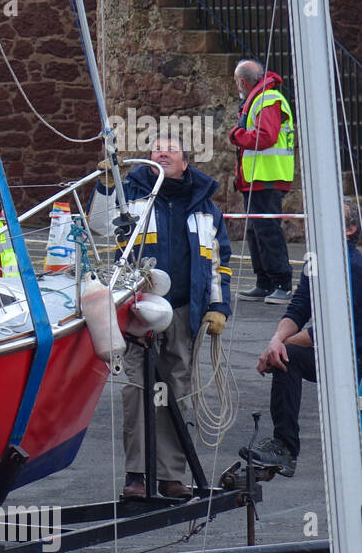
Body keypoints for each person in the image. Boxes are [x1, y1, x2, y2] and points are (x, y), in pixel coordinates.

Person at [90, 137, 232, 498]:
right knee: (137, 391)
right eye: (156, 149)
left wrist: (218, 307)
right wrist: (106, 185)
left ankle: (170, 475)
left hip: (183, 313)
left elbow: (218, 263)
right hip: (138, 311)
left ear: (186, 162)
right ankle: (137, 475)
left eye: (170, 149)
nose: (161, 154)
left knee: (176, 393)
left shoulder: (205, 209)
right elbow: (100, 226)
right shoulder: (133, 194)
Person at [245, 200, 362, 476]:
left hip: (356, 356)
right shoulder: (316, 260)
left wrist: (283, 345)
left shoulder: (353, 266)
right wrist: (276, 342)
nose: (315, 222)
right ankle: (284, 448)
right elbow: (299, 307)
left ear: (350, 230)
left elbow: (339, 328)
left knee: (286, 352)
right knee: (287, 358)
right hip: (338, 355)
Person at [230, 59, 295, 304]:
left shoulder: (267, 99)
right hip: (258, 176)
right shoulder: (261, 98)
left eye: (237, 82)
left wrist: (236, 135)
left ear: (243, 81)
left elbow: (265, 137)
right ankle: (265, 282)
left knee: (267, 231)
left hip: (268, 176)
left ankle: (281, 283)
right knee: (256, 231)